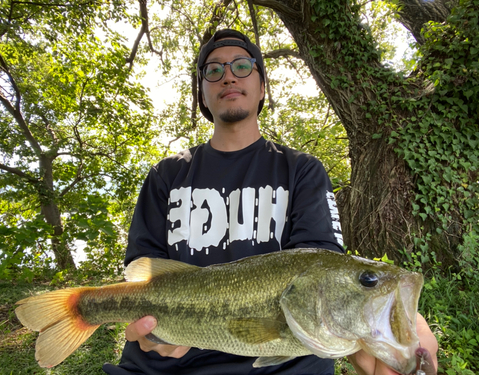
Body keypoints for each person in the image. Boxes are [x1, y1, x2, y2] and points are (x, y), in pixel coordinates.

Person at [102, 29, 438, 375]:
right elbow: (142, 273)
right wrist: (151, 334)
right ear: (202, 94)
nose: (228, 75)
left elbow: (323, 276)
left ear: (263, 87)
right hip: (166, 367)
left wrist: (385, 324)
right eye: (213, 70)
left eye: (243, 66)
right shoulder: (166, 174)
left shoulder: (302, 170)